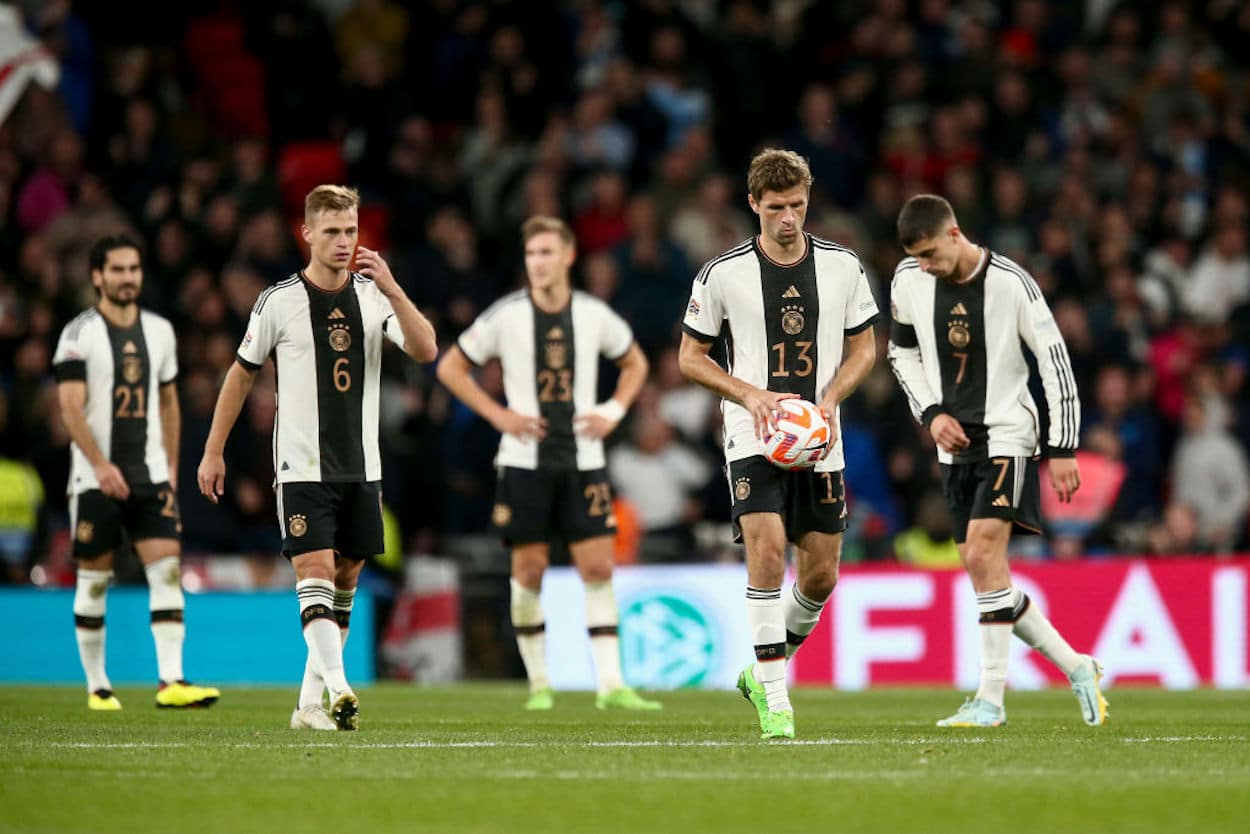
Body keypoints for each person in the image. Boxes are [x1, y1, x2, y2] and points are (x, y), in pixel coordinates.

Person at [196, 185, 437, 731]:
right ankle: (341, 687)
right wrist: (214, 450)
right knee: (315, 570)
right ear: (306, 233)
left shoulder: (375, 298)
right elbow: (240, 375)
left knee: (345, 582)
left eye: (350, 231)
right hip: (301, 467)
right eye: (331, 231)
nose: (343, 241)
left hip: (362, 467)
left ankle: (307, 707)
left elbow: (426, 350)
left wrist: (395, 289)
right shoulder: (278, 301)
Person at [678, 149, 879, 739]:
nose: (789, 218)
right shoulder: (722, 274)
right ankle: (775, 699)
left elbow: (865, 347)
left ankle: (759, 669)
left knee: (820, 576)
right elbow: (690, 358)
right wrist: (749, 394)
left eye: (797, 205)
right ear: (753, 206)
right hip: (754, 430)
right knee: (766, 551)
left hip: (819, 432)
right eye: (776, 209)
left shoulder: (842, 266)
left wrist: (833, 398)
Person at [887, 193, 1108, 727]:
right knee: (985, 571)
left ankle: (990, 701)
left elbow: (1054, 364)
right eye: (917, 257)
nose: (926, 266)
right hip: (952, 443)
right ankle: (1078, 666)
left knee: (984, 556)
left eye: (932, 254)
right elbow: (901, 352)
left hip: (1008, 434)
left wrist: (1062, 448)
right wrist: (931, 413)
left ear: (955, 233)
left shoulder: (1011, 283)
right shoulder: (907, 281)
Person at [437, 215, 660, 712]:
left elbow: (636, 363)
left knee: (598, 566)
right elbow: (451, 365)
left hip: (583, 458)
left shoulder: (592, 314)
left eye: (545, 252)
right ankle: (540, 683)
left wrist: (614, 410)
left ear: (568, 256)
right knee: (530, 570)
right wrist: (499, 415)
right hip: (523, 463)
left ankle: (611, 685)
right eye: (530, 253)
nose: (537, 262)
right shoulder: (507, 314)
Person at [52, 234, 220, 711]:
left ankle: (172, 681)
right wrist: (100, 465)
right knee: (95, 580)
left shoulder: (161, 331)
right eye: (118, 270)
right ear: (97, 276)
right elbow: (69, 407)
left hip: (148, 475)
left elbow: (168, 402)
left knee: (167, 570)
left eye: (134, 269)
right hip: (94, 478)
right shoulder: (77, 334)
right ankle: (98, 686)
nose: (128, 278)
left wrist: (168, 463)